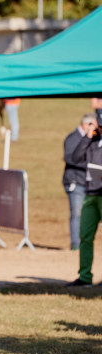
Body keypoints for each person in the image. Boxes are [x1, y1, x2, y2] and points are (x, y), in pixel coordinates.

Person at [67, 118, 102, 287]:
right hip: (91, 194)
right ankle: (85, 276)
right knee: (85, 236)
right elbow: (76, 157)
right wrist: (87, 137)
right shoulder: (92, 142)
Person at [63, 113, 96, 251]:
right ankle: (75, 245)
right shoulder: (73, 138)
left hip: (90, 183)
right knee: (77, 213)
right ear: (86, 125)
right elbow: (70, 158)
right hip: (76, 182)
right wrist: (90, 164)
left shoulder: (93, 139)